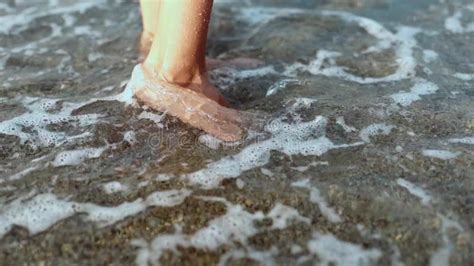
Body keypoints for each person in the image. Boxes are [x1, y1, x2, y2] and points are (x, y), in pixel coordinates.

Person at [134, 0, 263, 141]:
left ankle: (158, 45)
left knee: (157, 41)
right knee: (249, 132)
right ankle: (180, 74)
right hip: (175, 76)